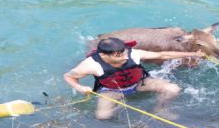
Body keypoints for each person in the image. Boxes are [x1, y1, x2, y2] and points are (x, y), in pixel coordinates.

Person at [64, 37, 205, 120]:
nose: (125, 57)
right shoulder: (91, 65)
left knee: (173, 89)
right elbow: (69, 76)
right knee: (103, 116)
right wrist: (80, 88)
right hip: (112, 90)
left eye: (124, 52)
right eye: (118, 55)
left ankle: (160, 109)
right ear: (104, 56)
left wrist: (192, 53)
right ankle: (120, 106)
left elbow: (162, 55)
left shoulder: (134, 53)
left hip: (140, 83)